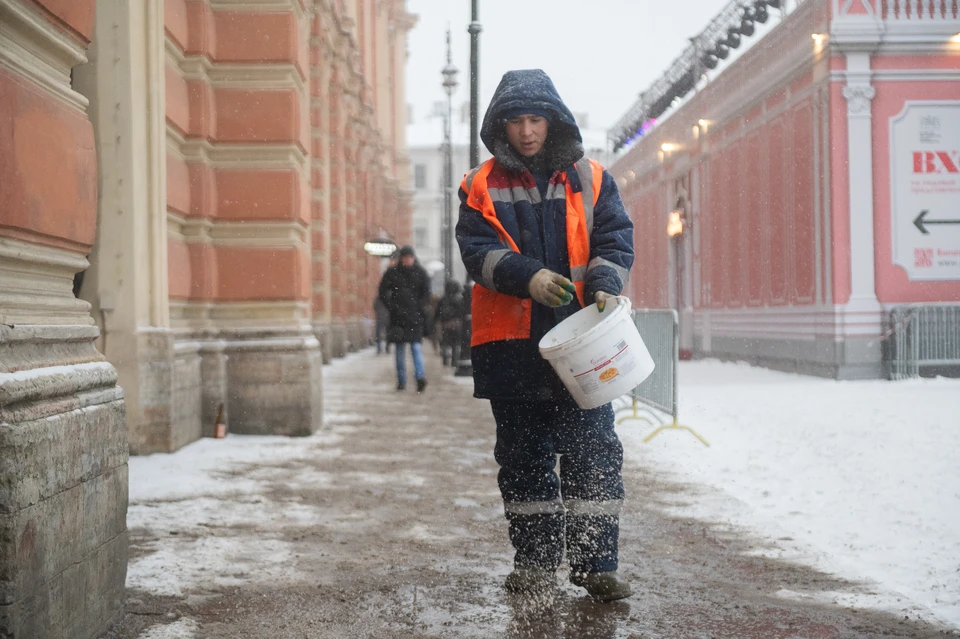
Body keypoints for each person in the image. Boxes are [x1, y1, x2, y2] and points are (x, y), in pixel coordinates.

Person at [455, 69, 635, 601]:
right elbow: (477, 253)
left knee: (594, 452)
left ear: (552, 120)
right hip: (511, 347)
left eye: (536, 119)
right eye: (517, 121)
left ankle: (596, 564)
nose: (528, 131)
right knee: (524, 459)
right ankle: (534, 564)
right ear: (501, 126)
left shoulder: (593, 178)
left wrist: (603, 281)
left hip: (584, 342)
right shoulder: (478, 185)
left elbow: (615, 238)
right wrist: (526, 275)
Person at [378, 245, 431, 392]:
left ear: (413, 258)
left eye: (409, 257)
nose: (407, 260)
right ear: (401, 259)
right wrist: (392, 306)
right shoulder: (393, 273)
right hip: (398, 319)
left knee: (416, 348)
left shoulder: (421, 273)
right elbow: (382, 292)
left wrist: (418, 307)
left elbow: (426, 294)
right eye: (405, 258)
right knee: (400, 351)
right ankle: (401, 381)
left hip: (415, 318)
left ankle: (420, 378)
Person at [434, 279, 465, 366]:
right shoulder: (460, 299)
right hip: (457, 324)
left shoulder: (443, 299)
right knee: (456, 344)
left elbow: (437, 312)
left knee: (445, 343)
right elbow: (462, 312)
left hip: (446, 324)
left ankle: (445, 359)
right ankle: (454, 361)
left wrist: (436, 320)